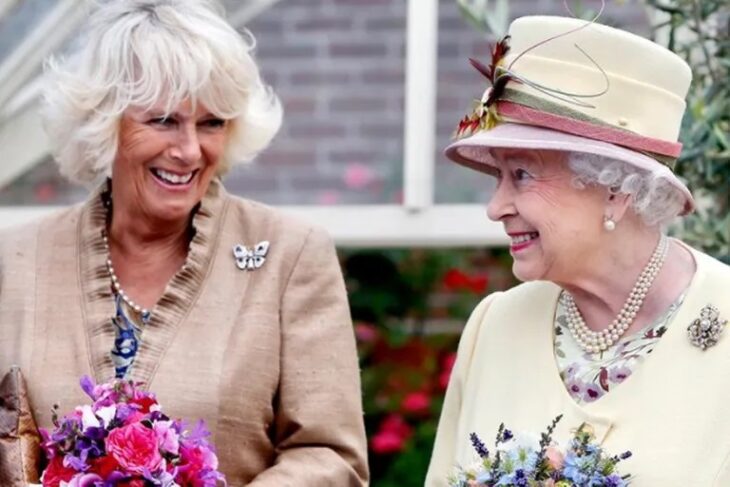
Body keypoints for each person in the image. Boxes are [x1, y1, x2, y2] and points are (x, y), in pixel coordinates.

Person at [0, 1, 369, 485]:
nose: (190, 150)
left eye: (212, 122)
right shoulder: (13, 261)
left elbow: (330, 456)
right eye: (163, 120)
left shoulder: (291, 256)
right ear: (102, 121)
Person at [425, 14, 730, 486]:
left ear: (615, 189)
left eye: (522, 174)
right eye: (499, 176)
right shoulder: (494, 326)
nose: (495, 207)